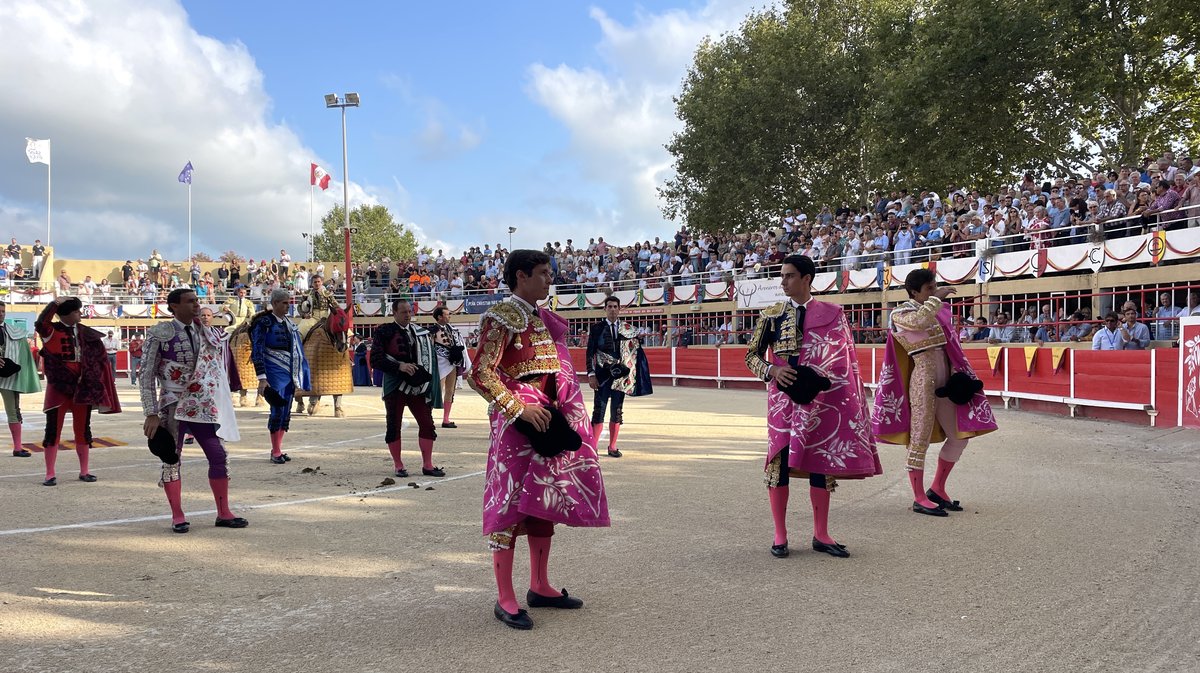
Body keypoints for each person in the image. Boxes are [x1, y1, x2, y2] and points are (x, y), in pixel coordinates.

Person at [469, 249, 609, 630]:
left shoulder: (542, 318)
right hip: (517, 424)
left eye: (550, 273)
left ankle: (540, 585)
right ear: (520, 276)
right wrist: (518, 409)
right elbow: (480, 373)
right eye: (544, 273)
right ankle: (505, 596)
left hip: (548, 418)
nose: (550, 279)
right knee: (510, 503)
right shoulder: (500, 317)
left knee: (543, 498)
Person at [745, 255, 881, 559]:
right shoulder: (771, 315)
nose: (783, 282)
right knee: (779, 461)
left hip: (822, 399)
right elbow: (751, 356)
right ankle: (780, 534)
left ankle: (821, 534)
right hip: (783, 400)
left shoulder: (833, 313)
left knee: (821, 460)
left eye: (790, 276)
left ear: (807, 278)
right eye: (782, 276)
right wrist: (773, 371)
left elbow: (846, 362)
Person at [873, 269, 997, 516]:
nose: (934, 291)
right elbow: (920, 321)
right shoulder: (900, 313)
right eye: (929, 288)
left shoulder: (935, 310)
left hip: (945, 383)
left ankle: (937, 488)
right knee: (919, 439)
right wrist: (936, 298)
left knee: (960, 437)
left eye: (934, 287)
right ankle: (919, 497)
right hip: (922, 381)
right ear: (914, 292)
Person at [140, 289, 247, 534]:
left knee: (218, 455)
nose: (196, 305)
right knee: (171, 458)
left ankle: (224, 513)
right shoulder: (161, 333)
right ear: (173, 307)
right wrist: (151, 412)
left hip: (200, 402)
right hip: (172, 403)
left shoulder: (207, 332)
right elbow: (146, 376)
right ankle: (177, 516)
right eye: (190, 301)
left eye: (197, 301)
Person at [35, 297, 121, 485]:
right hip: (59, 386)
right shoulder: (51, 331)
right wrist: (55, 304)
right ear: (65, 314)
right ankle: (50, 474)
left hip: (83, 386)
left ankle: (84, 471)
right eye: (76, 312)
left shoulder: (85, 332)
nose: (80, 314)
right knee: (52, 430)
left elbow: (99, 359)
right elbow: (41, 322)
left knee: (83, 429)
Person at [370, 298, 444, 478]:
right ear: (394, 313)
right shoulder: (384, 331)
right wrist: (399, 367)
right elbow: (375, 359)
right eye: (404, 312)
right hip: (395, 385)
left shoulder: (419, 332)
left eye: (409, 311)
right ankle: (398, 465)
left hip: (417, 385)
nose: (408, 315)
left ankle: (428, 464)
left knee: (427, 423)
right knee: (394, 424)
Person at [585, 296, 653, 457]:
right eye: (610, 306)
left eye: (615, 306)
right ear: (605, 309)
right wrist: (591, 374)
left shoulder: (628, 329)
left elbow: (634, 354)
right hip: (602, 376)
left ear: (619, 309)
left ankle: (612, 447)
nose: (613, 309)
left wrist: (633, 375)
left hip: (621, 377)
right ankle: (593, 448)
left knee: (617, 411)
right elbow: (590, 354)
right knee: (599, 410)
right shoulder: (596, 329)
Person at [249, 289, 310, 464]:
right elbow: (257, 350)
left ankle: (278, 449)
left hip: (288, 371)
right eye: (284, 303)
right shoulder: (263, 323)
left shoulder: (289, 323)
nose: (287, 306)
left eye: (289, 302)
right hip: (273, 371)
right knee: (277, 408)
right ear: (274, 303)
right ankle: (275, 451)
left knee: (286, 409)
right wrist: (262, 376)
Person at [0, 301, 41, 456]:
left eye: (3, 311)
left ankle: (17, 447)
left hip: (8, 376)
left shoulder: (13, 332)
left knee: (13, 411)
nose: (1, 313)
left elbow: (21, 353)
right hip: (7, 376)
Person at [432, 306, 467, 428]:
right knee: (436, 390)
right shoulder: (433, 330)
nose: (449, 316)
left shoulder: (452, 329)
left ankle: (446, 419)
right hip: (439, 363)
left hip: (451, 363)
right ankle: (428, 417)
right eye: (447, 314)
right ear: (439, 317)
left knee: (450, 391)